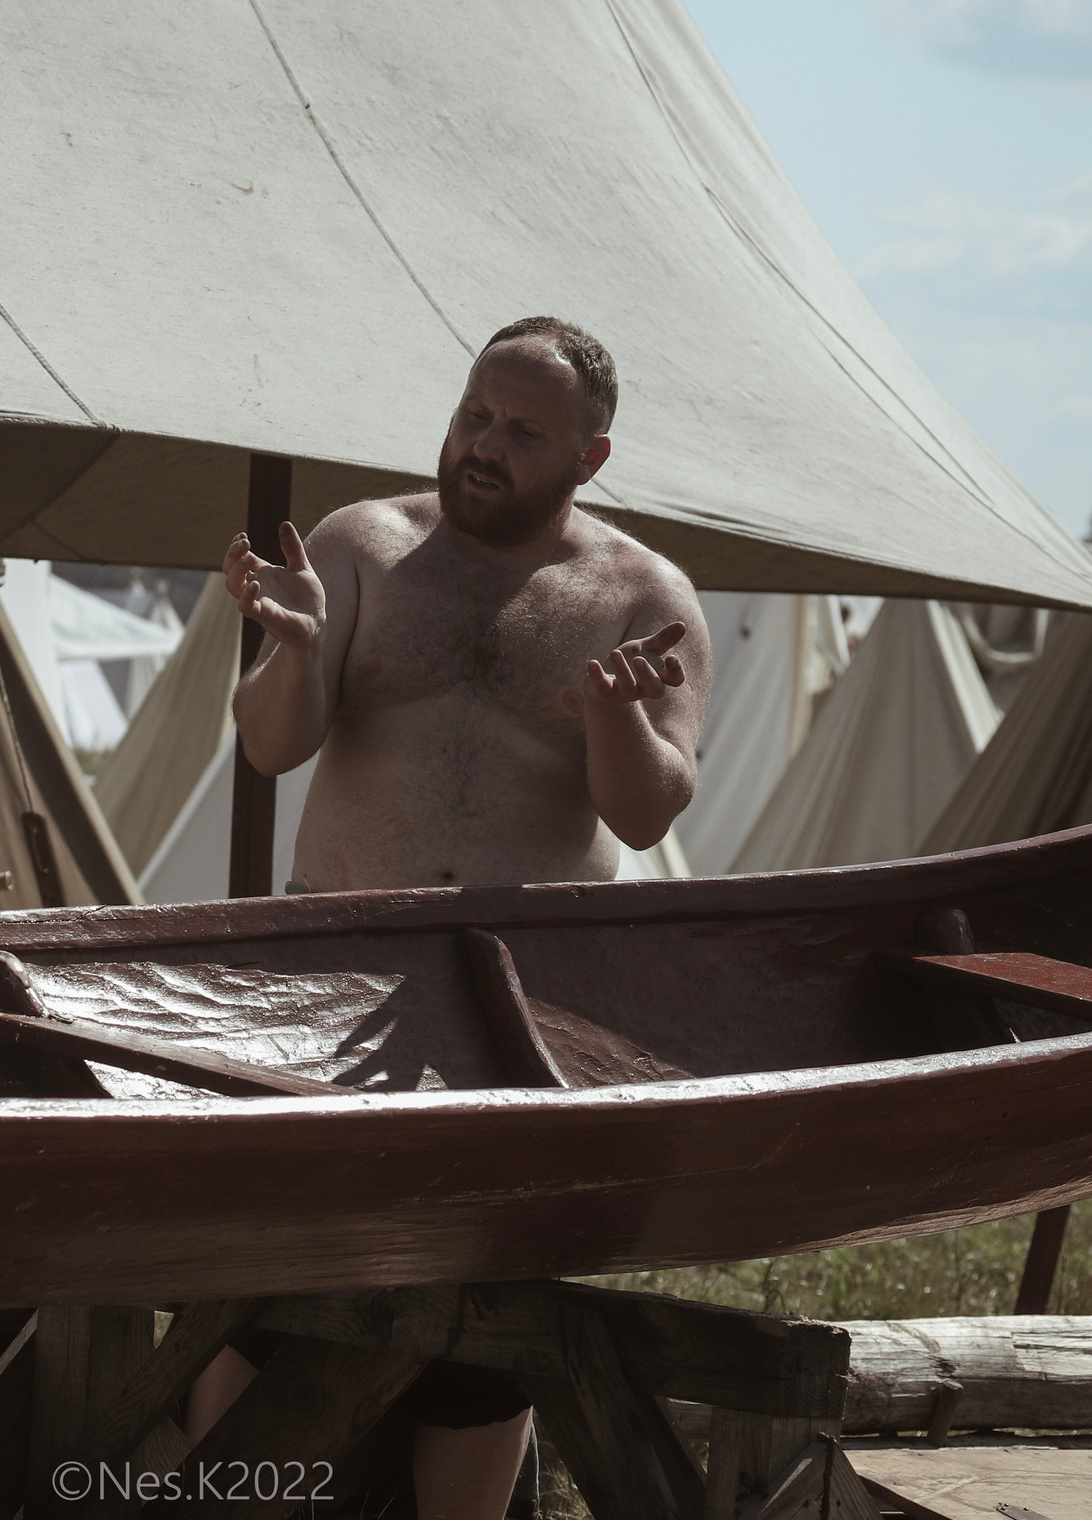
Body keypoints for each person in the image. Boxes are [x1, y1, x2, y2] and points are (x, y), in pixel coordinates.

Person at [197, 314, 711, 1515]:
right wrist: (287, 650)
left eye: (523, 432)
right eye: (474, 414)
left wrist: (616, 726)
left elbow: (643, 818)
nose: (483, 445)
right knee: (261, 1287)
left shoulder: (644, 593)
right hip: (337, 978)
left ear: (588, 457)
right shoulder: (361, 545)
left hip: (520, 1006)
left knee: (488, 1328)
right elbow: (273, 750)